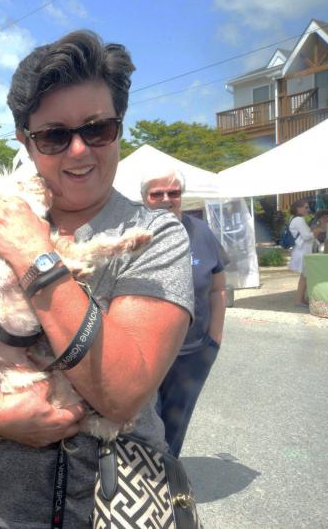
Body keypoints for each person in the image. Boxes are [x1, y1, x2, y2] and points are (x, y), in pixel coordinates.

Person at [0, 30, 194, 528]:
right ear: (24, 141)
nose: (78, 151)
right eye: (54, 136)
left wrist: (34, 253)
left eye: (97, 129)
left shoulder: (153, 234)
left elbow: (120, 394)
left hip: (106, 507)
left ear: (120, 127)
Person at [140, 169, 227, 457]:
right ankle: (139, 483)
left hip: (192, 353)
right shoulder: (133, 237)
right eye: (157, 194)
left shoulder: (200, 231)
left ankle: (166, 484)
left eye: (173, 193)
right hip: (143, 353)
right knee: (142, 424)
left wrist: (214, 340)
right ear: (144, 199)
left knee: (175, 425)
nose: (166, 199)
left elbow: (217, 290)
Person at [288, 199, 322, 306]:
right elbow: (307, 237)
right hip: (303, 252)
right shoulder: (299, 220)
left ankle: (301, 299)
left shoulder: (295, 219)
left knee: (305, 276)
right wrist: (316, 232)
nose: (308, 209)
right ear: (298, 208)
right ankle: (299, 301)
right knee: (304, 276)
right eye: (306, 207)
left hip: (302, 251)